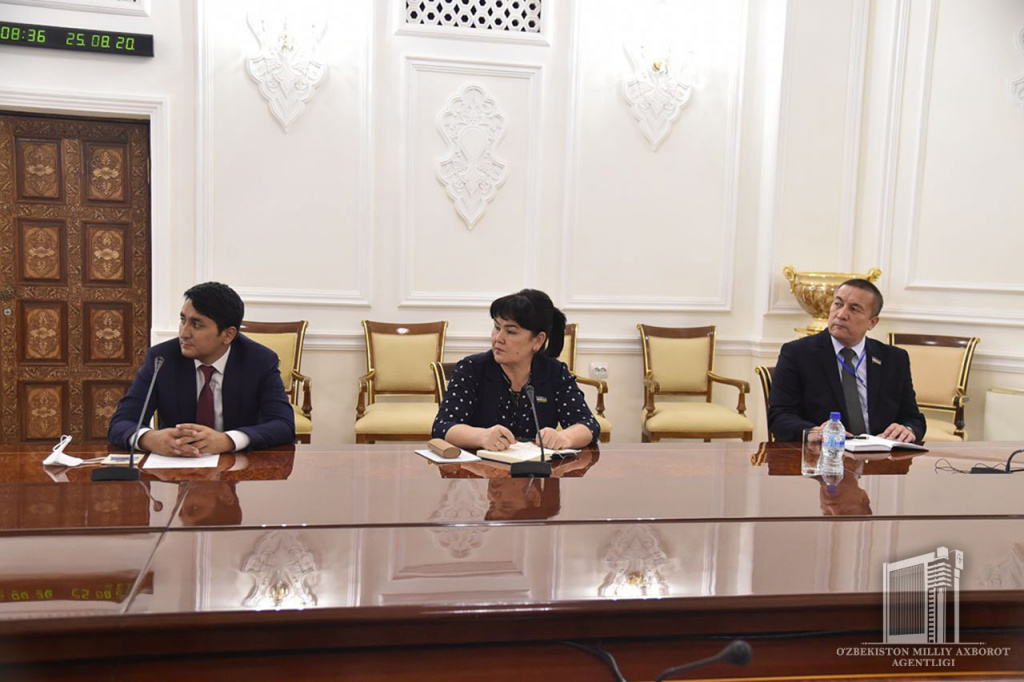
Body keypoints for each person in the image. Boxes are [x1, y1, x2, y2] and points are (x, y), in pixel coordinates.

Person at [108, 282, 295, 456]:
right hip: (178, 466)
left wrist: (227, 440)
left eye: (196, 325)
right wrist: (150, 439)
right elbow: (121, 422)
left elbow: (284, 425)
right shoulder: (162, 359)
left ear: (228, 335)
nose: (184, 333)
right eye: (183, 320)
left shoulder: (259, 361)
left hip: (239, 466)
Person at [432, 289, 600, 451]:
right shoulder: (472, 368)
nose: (498, 338)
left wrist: (564, 437)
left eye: (511, 332)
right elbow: (442, 426)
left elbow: (588, 424)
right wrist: (481, 436)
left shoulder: (554, 372)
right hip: (481, 467)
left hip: (537, 468)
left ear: (538, 340)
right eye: (497, 327)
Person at [767, 278, 925, 443]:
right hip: (825, 451)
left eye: (854, 309)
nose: (841, 315)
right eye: (838, 304)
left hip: (879, 452)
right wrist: (813, 432)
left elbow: (914, 419)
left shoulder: (894, 359)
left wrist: (907, 430)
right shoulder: (798, 353)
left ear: (872, 322)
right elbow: (779, 417)